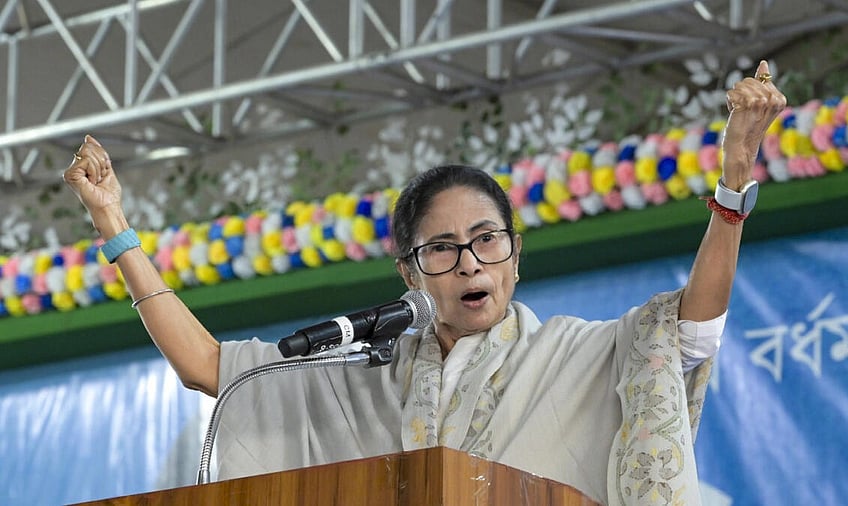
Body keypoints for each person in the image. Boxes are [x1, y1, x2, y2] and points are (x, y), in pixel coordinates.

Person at [63, 61, 785, 505]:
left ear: (515, 256)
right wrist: (115, 226)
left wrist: (733, 183)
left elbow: (690, 328)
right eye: (443, 249)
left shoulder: (577, 355)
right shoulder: (361, 376)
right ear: (408, 271)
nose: (470, 263)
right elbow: (205, 368)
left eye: (486, 242)